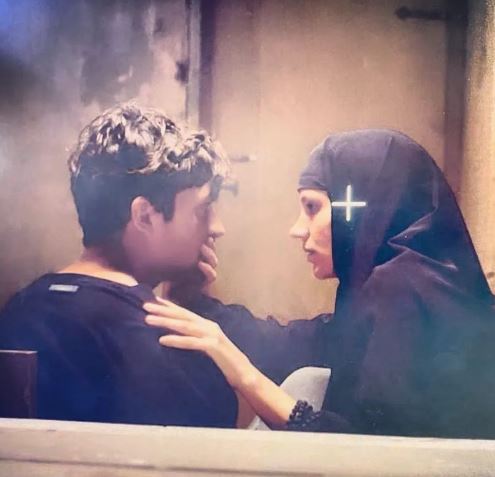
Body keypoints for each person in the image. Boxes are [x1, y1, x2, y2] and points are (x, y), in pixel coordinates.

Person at [145, 129, 495, 438]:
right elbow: (291, 343)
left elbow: (368, 453)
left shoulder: (403, 289)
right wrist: (195, 301)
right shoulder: (401, 287)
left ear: (357, 208)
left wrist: (245, 377)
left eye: (312, 208)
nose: (297, 229)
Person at [0, 103, 239, 427]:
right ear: (144, 216)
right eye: (202, 210)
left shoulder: (20, 308)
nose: (217, 227)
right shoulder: (156, 337)